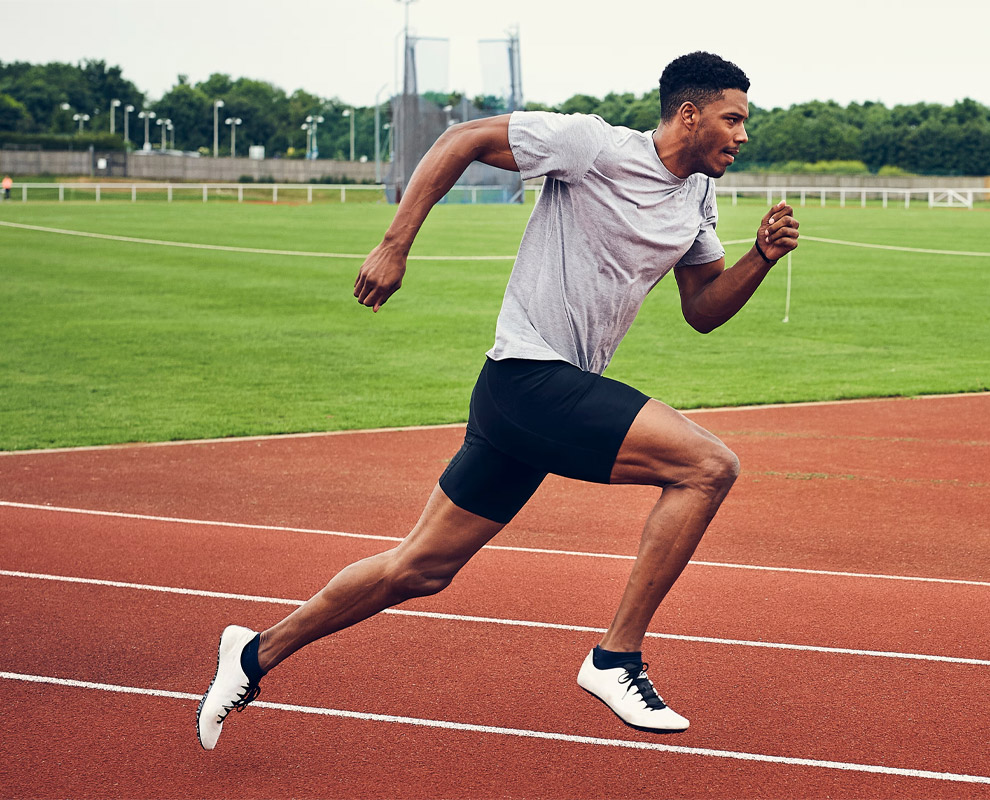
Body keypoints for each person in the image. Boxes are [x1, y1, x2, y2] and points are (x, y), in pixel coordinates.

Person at [196, 51, 799, 750]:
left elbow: (701, 308)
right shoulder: (593, 145)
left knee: (419, 568)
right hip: (528, 377)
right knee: (706, 466)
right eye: (734, 119)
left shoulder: (697, 196)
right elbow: (463, 140)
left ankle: (253, 652)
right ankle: (616, 658)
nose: (743, 135)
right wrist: (395, 244)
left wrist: (759, 256)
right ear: (689, 114)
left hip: (530, 403)